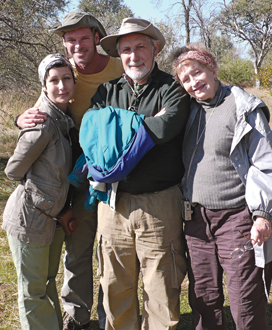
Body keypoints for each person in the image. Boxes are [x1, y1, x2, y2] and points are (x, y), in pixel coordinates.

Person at [171, 42, 272, 330]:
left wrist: (263, 215)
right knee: (203, 298)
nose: (193, 82)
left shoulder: (242, 107)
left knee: (245, 300)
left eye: (197, 73)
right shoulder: (187, 112)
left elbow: (268, 163)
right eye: (185, 79)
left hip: (237, 219)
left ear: (211, 68)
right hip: (196, 221)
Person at [15, 11, 124, 330]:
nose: (78, 45)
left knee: (110, 253)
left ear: (96, 37)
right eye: (70, 40)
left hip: (118, 179)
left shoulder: (119, 67)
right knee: (76, 254)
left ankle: (109, 318)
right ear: (64, 44)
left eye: (83, 38)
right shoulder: (62, 74)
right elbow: (38, 115)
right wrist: (18, 120)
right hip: (74, 180)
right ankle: (76, 317)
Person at [84, 17, 189, 330]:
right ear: (119, 54)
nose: (133, 56)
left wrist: (117, 127)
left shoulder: (173, 90)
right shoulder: (104, 92)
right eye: (126, 49)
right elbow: (92, 135)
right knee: (115, 287)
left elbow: (163, 128)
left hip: (160, 205)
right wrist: (140, 126)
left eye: (140, 47)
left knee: (160, 287)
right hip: (112, 203)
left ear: (154, 48)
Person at [2, 54, 76, 330]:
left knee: (46, 283)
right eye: (53, 80)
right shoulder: (43, 123)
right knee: (32, 292)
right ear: (44, 86)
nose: (61, 86)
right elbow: (13, 170)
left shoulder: (65, 115)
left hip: (52, 217)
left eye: (66, 78)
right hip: (29, 218)